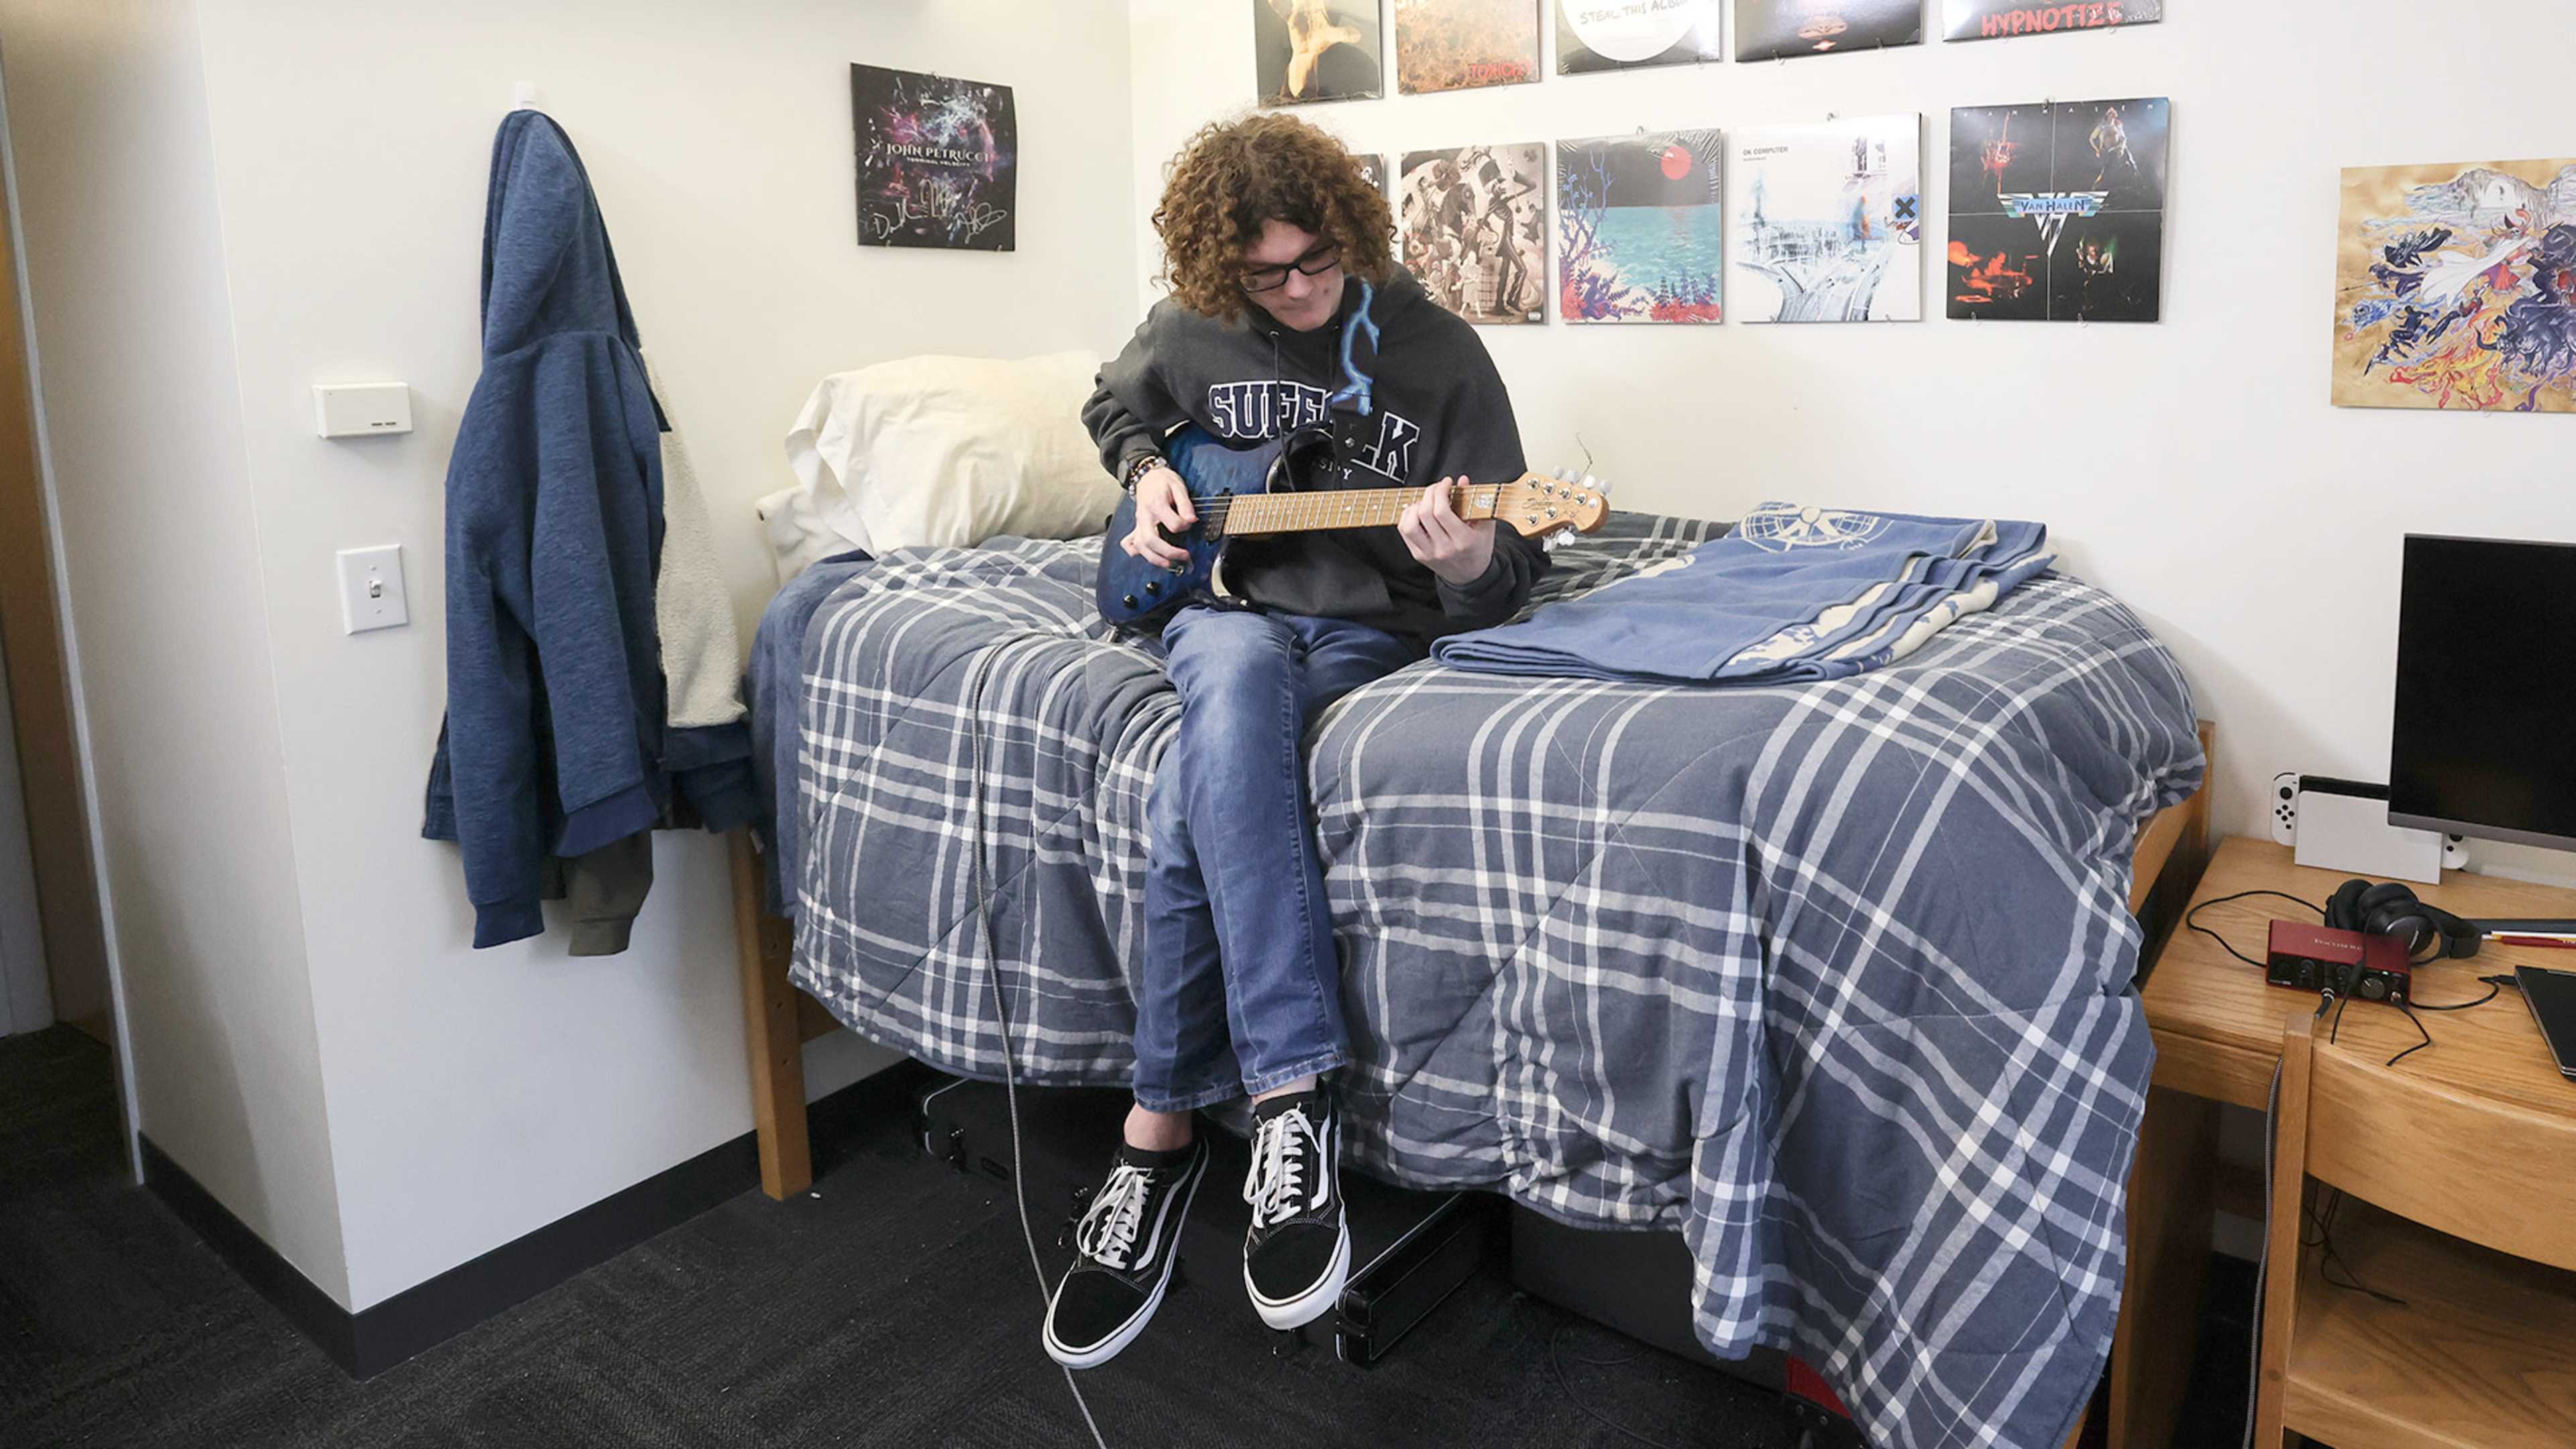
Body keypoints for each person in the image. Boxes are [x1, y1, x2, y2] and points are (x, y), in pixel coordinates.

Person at [1052, 113, 1544, 1369]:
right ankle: (1290, 1100)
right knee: (1222, 685)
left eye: (1317, 261)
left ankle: (1155, 1134)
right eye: (1267, 276)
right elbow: (1113, 405)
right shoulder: (1191, 328)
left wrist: (1479, 553)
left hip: (1366, 630)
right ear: (1225, 271)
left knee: (1198, 796)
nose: (1300, 290)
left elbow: (1507, 572)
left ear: (1351, 233)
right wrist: (1151, 469)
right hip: (1218, 609)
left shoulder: (1436, 351)